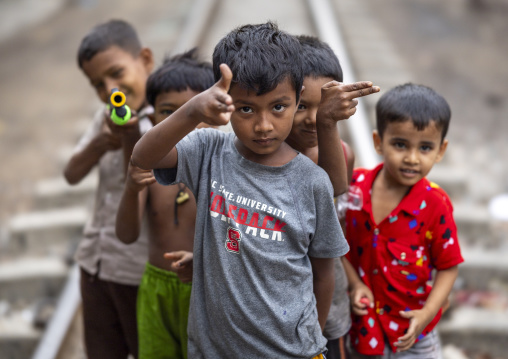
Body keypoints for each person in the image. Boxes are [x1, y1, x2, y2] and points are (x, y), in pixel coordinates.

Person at [131, 22, 350, 359]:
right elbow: (144, 156)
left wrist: (311, 342)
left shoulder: (312, 182)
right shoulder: (208, 151)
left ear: (297, 98)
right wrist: (191, 110)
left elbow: (323, 273)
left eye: (278, 107)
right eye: (246, 109)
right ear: (228, 103)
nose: (263, 126)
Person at [343, 83, 464, 358]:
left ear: (440, 150)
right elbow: (337, 243)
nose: (411, 158)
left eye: (425, 148)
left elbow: (448, 267)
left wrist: (427, 313)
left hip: (414, 331)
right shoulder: (355, 188)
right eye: (400, 144)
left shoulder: (435, 204)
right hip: (365, 328)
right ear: (378, 142)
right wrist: (355, 284)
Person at [115, 48, 215, 359]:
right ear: (152, 116)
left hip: (206, 288)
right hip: (156, 289)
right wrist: (131, 189)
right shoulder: (148, 168)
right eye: (168, 114)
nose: (181, 125)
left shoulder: (221, 169)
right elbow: (127, 234)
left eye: (192, 114)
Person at [63, 19, 154, 359]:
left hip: (135, 270)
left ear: (145, 60)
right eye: (98, 84)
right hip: (95, 262)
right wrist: (101, 142)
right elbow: (72, 173)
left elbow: (140, 182)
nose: (109, 88)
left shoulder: (164, 118)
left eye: (117, 73)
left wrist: (131, 136)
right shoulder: (106, 117)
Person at [288, 35, 378, 359]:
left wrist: (353, 281)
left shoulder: (342, 154)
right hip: (280, 292)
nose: (312, 118)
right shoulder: (268, 151)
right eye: (301, 106)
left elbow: (333, 193)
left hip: (328, 291)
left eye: (322, 107)